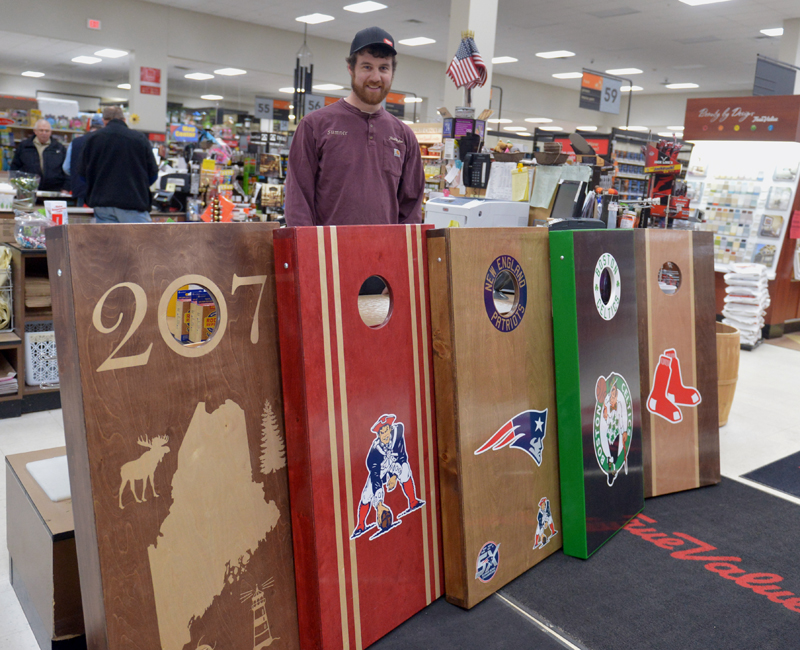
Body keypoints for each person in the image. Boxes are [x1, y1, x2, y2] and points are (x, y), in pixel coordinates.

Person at [284, 26, 424, 227]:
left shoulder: (404, 136)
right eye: (367, 67)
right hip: (328, 254)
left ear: (392, 73)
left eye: (383, 68)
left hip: (384, 255)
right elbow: (298, 202)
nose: (376, 77)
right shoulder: (315, 126)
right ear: (351, 69)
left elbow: (410, 210)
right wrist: (309, 254)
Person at [75, 105, 158, 223]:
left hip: (102, 205)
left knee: (108, 241)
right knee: (138, 241)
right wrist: (138, 185)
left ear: (104, 121)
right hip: (133, 204)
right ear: (124, 119)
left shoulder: (93, 139)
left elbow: (82, 175)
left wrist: (98, 186)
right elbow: (153, 175)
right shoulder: (139, 138)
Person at [351, 414, 424, 540]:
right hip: (381, 470)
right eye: (381, 433)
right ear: (378, 435)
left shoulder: (398, 431)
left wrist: (395, 476)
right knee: (366, 494)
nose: (384, 435)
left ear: (390, 429)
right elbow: (375, 477)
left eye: (386, 430)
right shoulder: (374, 452)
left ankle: (413, 501)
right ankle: (361, 525)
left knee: (405, 469)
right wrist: (379, 505)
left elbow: (402, 457)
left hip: (395, 464)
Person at [10, 119, 69, 191]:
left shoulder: (59, 148)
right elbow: (15, 166)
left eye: (47, 131)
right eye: (41, 130)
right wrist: (16, 184)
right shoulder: (24, 146)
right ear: (35, 131)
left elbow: (67, 169)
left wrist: (66, 188)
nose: (44, 133)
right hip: (28, 189)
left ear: (50, 132)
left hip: (54, 189)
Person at [62, 114, 104, 207]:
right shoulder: (105, 141)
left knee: (81, 219)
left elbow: (66, 167)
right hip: (99, 193)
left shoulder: (76, 142)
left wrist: (76, 176)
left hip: (79, 190)